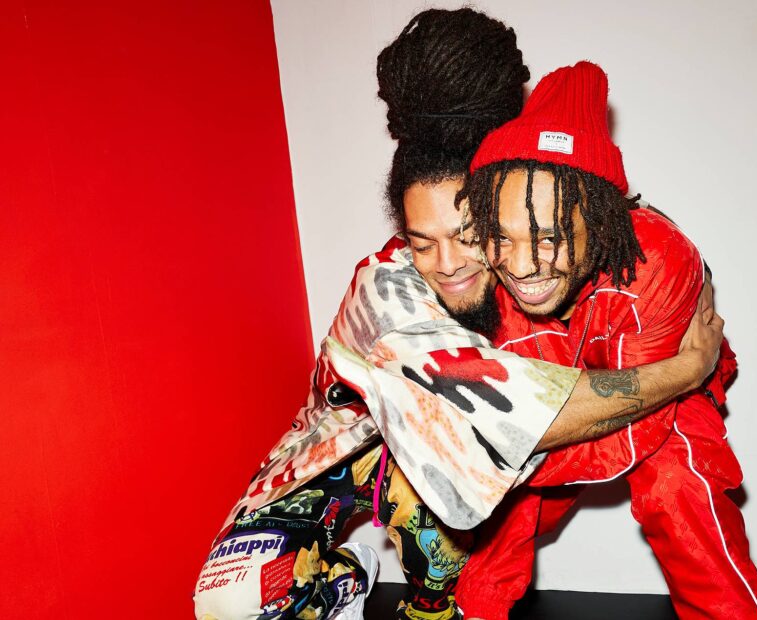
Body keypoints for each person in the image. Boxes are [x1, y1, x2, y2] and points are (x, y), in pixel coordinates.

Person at [193, 10, 722, 620]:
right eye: (423, 242)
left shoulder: (520, 258)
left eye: (469, 235)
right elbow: (528, 421)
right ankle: (346, 581)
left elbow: (606, 222)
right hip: (349, 456)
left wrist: (692, 271)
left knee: (454, 497)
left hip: (459, 463)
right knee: (230, 600)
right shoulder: (387, 292)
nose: (447, 264)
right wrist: (690, 368)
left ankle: (435, 604)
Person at [453, 61, 757, 619]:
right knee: (497, 509)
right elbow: (518, 432)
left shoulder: (661, 261)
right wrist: (504, 451)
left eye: (549, 237)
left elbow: (634, 430)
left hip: (667, 393)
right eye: (501, 236)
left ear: (603, 222)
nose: (521, 266)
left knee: (677, 488)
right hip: (664, 370)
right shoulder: (487, 280)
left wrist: (520, 441)